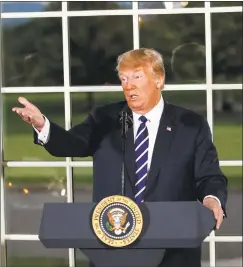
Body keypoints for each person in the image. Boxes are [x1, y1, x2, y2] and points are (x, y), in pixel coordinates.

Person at [12, 48, 227, 267]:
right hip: (112, 248)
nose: (128, 85)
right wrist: (42, 125)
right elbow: (71, 144)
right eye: (123, 78)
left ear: (159, 80)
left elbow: (209, 176)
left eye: (137, 77)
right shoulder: (105, 119)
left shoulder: (190, 125)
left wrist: (212, 199)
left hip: (174, 252)